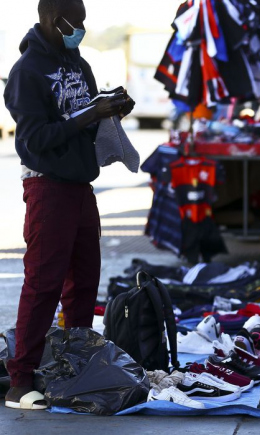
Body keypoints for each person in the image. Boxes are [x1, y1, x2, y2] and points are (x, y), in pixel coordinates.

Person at [3, 0, 134, 410]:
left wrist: (110, 108)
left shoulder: (77, 62)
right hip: (47, 188)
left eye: (82, 22)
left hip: (80, 187)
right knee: (43, 283)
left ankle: (74, 365)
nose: (80, 29)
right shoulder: (26, 73)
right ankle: (19, 383)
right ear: (51, 18)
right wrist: (85, 117)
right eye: (74, 22)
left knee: (83, 281)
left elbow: (84, 113)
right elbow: (32, 140)